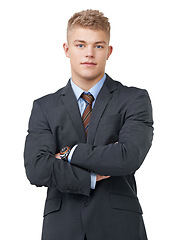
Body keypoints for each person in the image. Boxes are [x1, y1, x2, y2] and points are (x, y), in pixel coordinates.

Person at [24, 9, 153, 240]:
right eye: (81, 45)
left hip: (119, 227)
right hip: (62, 228)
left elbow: (128, 156)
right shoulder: (44, 107)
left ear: (109, 51)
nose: (89, 54)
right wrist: (90, 178)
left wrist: (68, 153)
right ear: (67, 49)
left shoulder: (134, 99)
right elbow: (36, 168)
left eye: (98, 46)